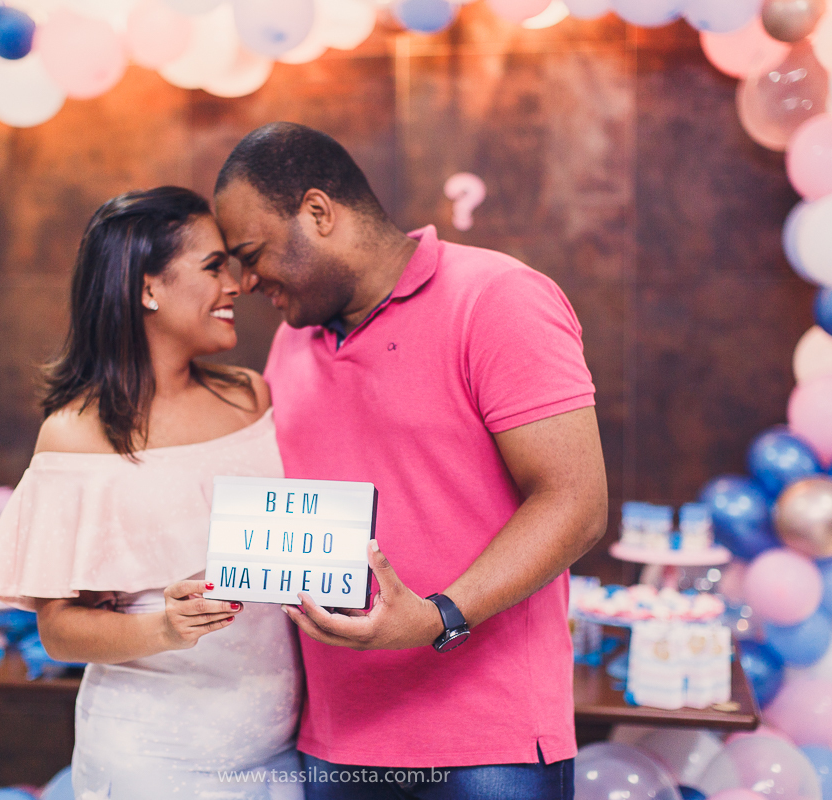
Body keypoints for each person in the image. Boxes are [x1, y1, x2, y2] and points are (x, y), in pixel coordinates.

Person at [213, 123, 608, 800]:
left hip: (493, 744)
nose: (245, 281)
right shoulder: (290, 345)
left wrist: (436, 616)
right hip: (337, 743)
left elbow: (575, 504)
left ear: (318, 213)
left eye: (252, 254)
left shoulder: (497, 298)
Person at [0, 187, 303, 800]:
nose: (235, 284)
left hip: (277, 751)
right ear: (147, 287)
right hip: (153, 758)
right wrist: (168, 629)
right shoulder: (74, 437)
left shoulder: (252, 397)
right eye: (212, 267)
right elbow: (60, 630)